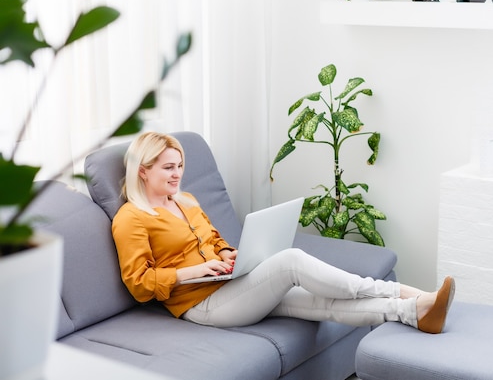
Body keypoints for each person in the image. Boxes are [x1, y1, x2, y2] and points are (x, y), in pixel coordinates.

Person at [112, 131, 455, 333]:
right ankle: (406, 292)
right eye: (168, 168)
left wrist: (229, 254)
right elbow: (139, 284)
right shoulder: (131, 218)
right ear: (142, 171)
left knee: (320, 303)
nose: (177, 174)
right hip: (201, 305)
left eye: (181, 166)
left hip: (230, 286)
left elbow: (214, 240)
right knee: (290, 261)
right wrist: (194, 271)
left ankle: (415, 314)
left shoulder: (185, 200)